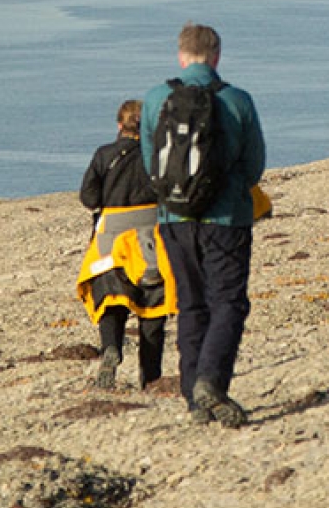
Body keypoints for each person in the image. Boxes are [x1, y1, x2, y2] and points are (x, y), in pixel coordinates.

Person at [140, 23, 265, 428]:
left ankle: (195, 399)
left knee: (191, 305)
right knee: (228, 302)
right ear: (217, 57)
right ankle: (210, 382)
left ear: (181, 56)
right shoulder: (238, 100)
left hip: (173, 219)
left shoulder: (156, 99)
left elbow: (149, 164)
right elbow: (254, 165)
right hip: (226, 217)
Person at [76, 99, 172, 390]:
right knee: (152, 307)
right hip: (151, 241)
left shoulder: (104, 155)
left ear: (119, 125)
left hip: (110, 242)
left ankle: (110, 349)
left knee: (111, 299)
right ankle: (151, 377)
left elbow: (89, 198)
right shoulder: (159, 156)